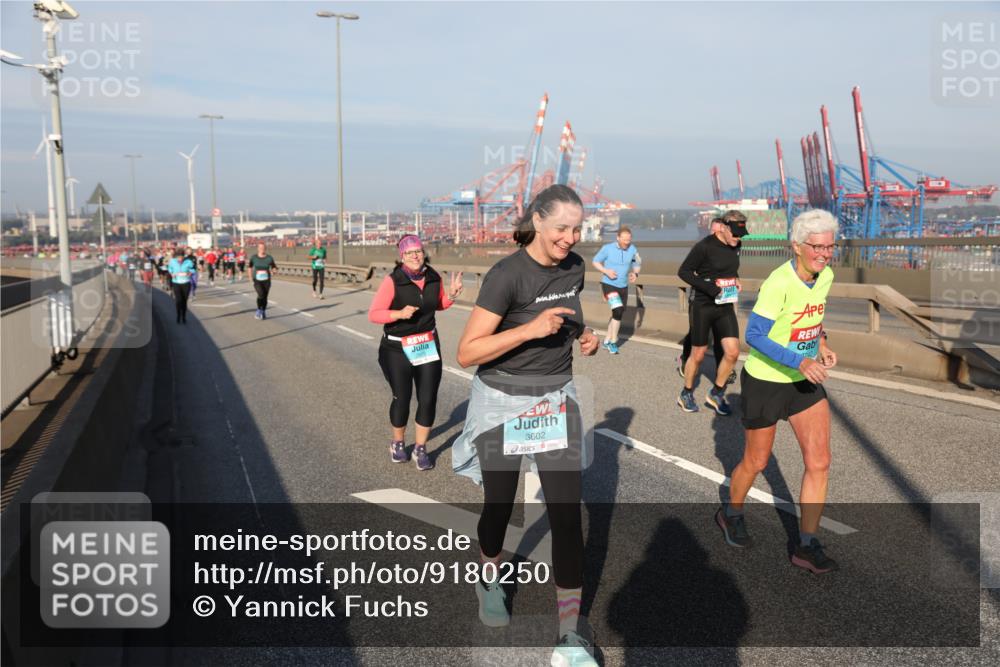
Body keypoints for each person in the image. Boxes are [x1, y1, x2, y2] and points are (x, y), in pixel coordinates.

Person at [452, 184, 600, 666]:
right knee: (500, 507)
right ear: (537, 221)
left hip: (554, 399)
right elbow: (467, 352)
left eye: (577, 229)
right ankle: (490, 576)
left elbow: (567, 316)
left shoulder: (575, 268)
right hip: (502, 403)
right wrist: (529, 330)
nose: (570, 238)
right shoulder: (506, 275)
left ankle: (569, 635)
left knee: (565, 517)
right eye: (562, 228)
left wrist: (586, 335)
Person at [717, 209, 840, 574]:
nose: (824, 253)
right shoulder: (778, 282)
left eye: (830, 246)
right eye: (816, 246)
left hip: (804, 383)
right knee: (756, 461)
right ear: (796, 246)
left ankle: (806, 544)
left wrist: (821, 343)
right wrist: (800, 361)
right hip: (767, 381)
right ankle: (732, 512)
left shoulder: (826, 275)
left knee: (819, 462)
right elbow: (753, 336)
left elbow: (811, 317)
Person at [367, 235, 463, 471]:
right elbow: (374, 313)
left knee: (428, 398)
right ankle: (398, 442)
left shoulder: (433, 277)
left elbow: (438, 304)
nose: (415, 256)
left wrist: (450, 296)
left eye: (418, 251)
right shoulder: (393, 281)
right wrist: (398, 314)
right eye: (410, 253)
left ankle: (421, 448)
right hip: (397, 347)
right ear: (402, 256)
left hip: (426, 343)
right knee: (402, 397)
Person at [676, 210, 748, 415]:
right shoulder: (704, 247)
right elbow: (684, 272)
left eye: (741, 235)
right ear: (724, 228)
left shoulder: (737, 245)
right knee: (698, 354)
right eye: (735, 234)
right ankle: (686, 392)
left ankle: (716, 393)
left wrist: (736, 279)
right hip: (703, 306)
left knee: (733, 352)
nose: (738, 238)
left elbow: (731, 268)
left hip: (725, 306)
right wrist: (709, 287)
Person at [591, 226, 640, 354]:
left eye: (628, 240)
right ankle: (613, 342)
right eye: (624, 240)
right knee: (617, 310)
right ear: (618, 238)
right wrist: (606, 271)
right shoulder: (607, 248)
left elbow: (637, 263)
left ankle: (606, 339)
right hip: (608, 284)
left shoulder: (633, 249)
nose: (626, 243)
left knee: (617, 313)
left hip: (623, 286)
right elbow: (595, 261)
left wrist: (635, 273)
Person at [247, 242, 277, 319]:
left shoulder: (269, 258)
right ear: (258, 248)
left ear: (265, 249)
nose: (262, 249)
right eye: (260, 248)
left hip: (267, 280)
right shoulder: (254, 257)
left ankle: (263, 311)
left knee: (265, 297)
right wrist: (250, 277)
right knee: (261, 294)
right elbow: (249, 267)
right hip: (257, 279)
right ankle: (258, 310)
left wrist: (274, 271)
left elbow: (274, 267)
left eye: (263, 248)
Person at [167, 247, 196, 324]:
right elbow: (169, 268)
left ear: (184, 256)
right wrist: (172, 273)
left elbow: (193, 269)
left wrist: (190, 273)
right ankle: (178, 315)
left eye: (181, 257)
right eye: (178, 257)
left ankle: (183, 316)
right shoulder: (172, 261)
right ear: (176, 257)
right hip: (176, 283)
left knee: (184, 301)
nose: (179, 259)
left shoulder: (188, 261)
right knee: (178, 300)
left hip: (186, 283)